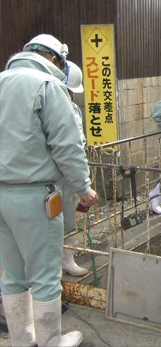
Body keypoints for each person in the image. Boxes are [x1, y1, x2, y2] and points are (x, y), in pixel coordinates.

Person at [0, 33, 98, 347]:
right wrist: (84, 188)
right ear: (56, 59)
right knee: (44, 277)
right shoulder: (48, 86)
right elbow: (67, 146)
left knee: (13, 274)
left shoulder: (2, 81)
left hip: (2, 195)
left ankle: (22, 340)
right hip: (36, 196)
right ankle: (51, 342)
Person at [58, 61, 89, 277]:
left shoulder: (73, 108)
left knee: (69, 219)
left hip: (68, 174)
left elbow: (77, 142)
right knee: (49, 223)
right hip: (53, 174)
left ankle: (67, 260)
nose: (70, 94)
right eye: (68, 90)